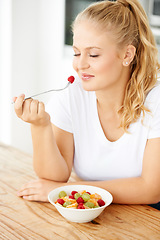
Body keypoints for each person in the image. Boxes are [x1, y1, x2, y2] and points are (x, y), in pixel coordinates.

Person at [13, 0, 160, 206]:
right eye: (76, 53)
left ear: (127, 55)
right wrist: (40, 126)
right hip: (93, 215)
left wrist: (71, 190)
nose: (80, 65)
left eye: (93, 54)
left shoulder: (156, 101)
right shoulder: (71, 98)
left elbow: (152, 189)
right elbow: (54, 178)